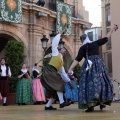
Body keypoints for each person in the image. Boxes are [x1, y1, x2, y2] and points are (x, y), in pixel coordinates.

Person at [68, 25, 117, 112]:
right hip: (99, 65)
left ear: (82, 40)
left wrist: (70, 69)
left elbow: (77, 59)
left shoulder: (83, 48)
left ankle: (91, 106)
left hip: (89, 67)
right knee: (101, 82)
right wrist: (112, 29)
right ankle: (102, 102)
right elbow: (106, 38)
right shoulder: (95, 43)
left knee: (88, 84)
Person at [41, 30, 72, 110]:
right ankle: (62, 102)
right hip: (49, 71)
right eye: (63, 49)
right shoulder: (55, 53)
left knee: (54, 91)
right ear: (59, 51)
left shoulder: (61, 63)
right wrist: (60, 34)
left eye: (65, 50)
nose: (64, 50)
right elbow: (54, 43)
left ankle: (48, 106)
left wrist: (68, 81)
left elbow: (63, 73)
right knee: (59, 84)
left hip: (51, 72)